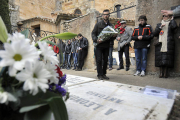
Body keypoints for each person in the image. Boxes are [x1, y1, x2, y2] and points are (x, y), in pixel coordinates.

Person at [91, 9, 116, 80]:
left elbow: (112, 37)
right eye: (104, 14)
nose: (106, 16)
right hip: (99, 45)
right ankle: (99, 74)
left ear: (109, 16)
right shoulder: (98, 24)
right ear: (102, 16)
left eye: (107, 14)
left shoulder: (111, 25)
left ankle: (104, 74)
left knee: (105, 60)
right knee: (99, 60)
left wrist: (114, 36)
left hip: (106, 45)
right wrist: (96, 39)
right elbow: (93, 33)